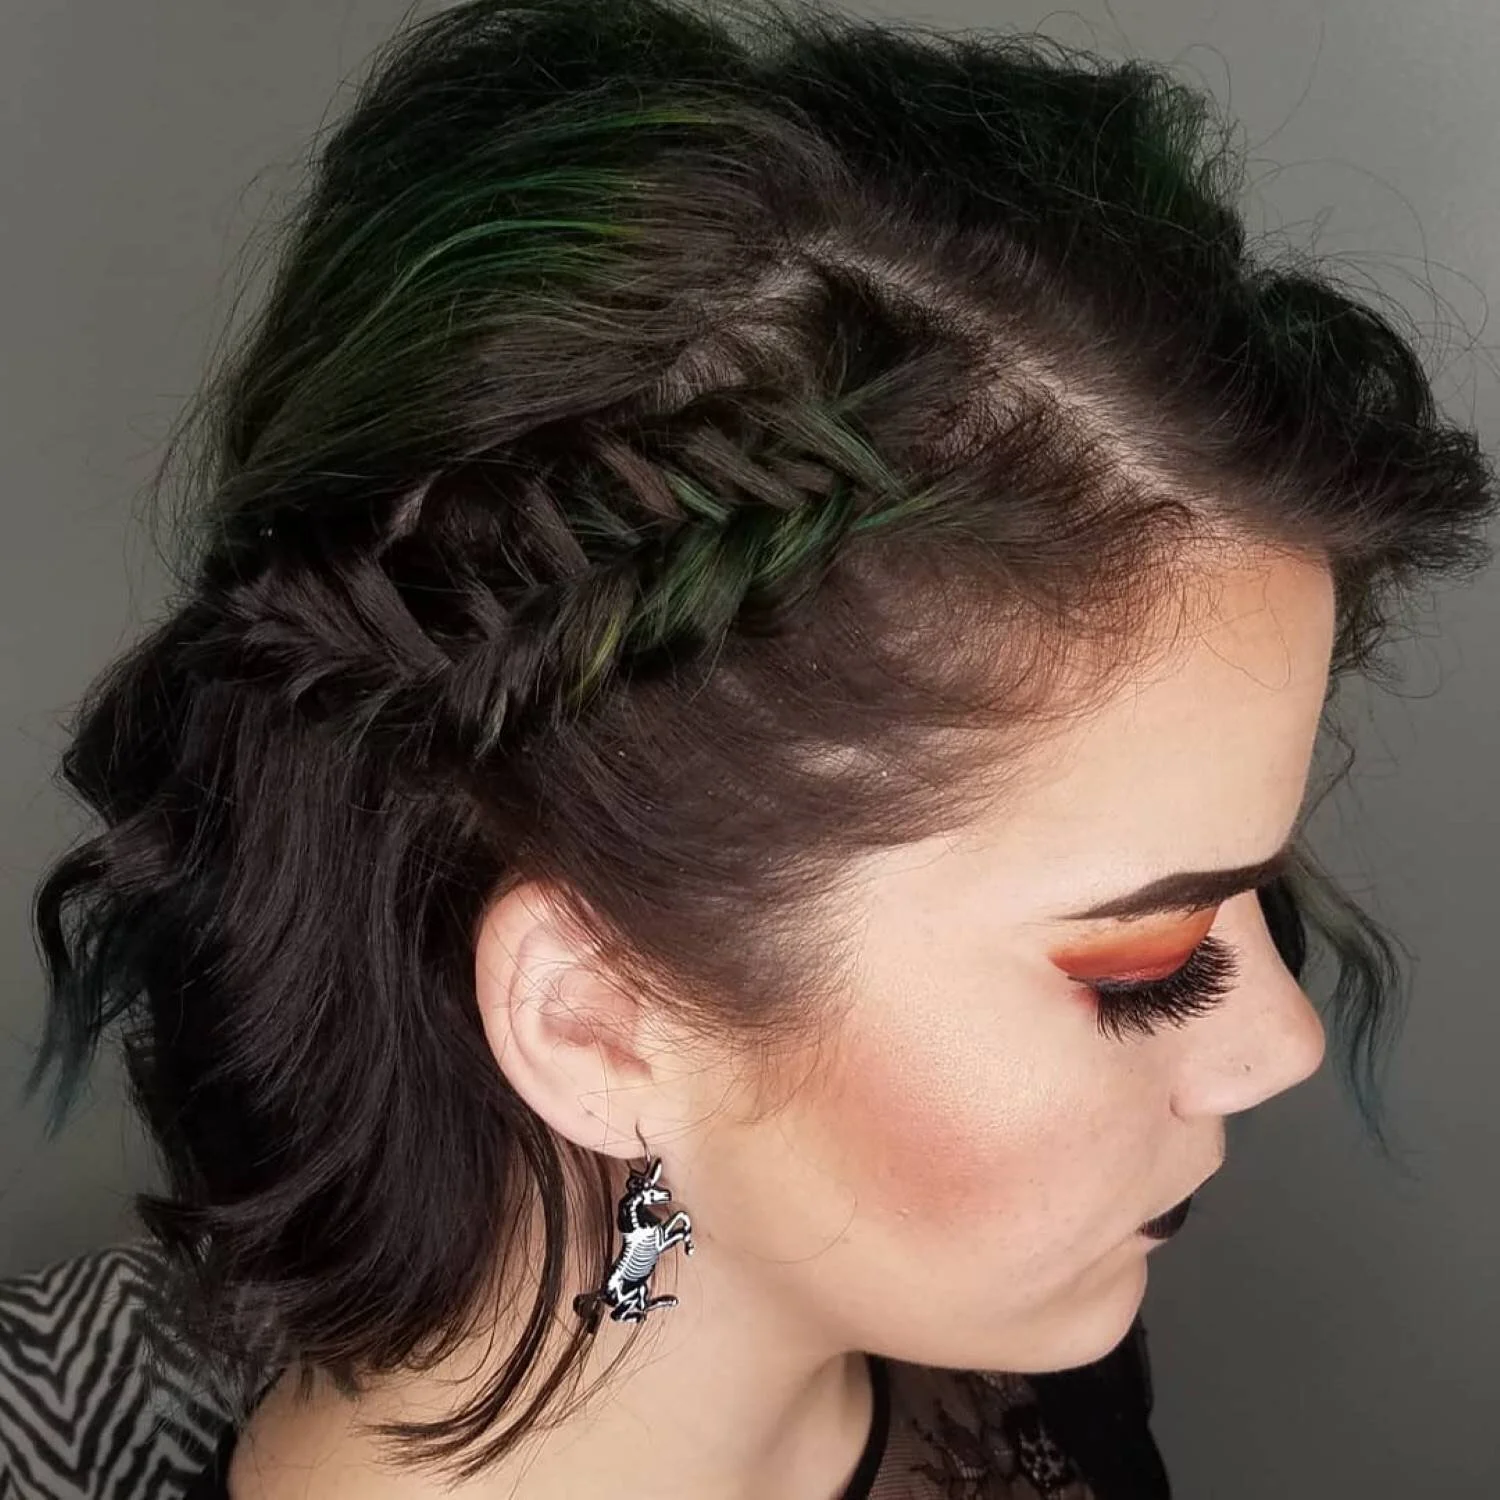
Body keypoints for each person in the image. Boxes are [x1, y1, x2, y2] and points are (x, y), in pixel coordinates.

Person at [22, 1, 1497, 1497]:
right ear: (599, 1022)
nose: (1282, 1042)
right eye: (1147, 967)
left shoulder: (1019, 1345)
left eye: (1257, 894)